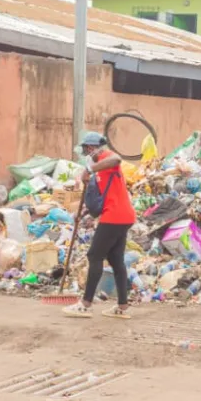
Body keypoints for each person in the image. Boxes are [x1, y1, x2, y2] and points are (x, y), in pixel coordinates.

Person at [64, 132, 136, 319]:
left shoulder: (105, 157)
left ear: (91, 148)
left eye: (87, 149)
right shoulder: (101, 168)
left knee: (94, 255)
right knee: (116, 260)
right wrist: (85, 214)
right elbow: (105, 198)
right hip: (124, 216)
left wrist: (90, 168)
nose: (86, 153)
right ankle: (122, 306)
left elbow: (117, 159)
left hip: (114, 217)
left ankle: (85, 304)